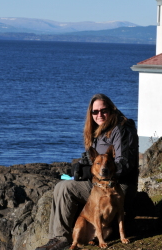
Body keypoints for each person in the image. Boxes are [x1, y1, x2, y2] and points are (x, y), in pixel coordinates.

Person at [35, 93, 139, 250]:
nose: (99, 115)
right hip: (100, 183)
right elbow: (91, 159)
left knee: (64, 188)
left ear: (112, 109)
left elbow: (124, 163)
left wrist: (93, 173)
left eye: (103, 110)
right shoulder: (99, 130)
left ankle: (62, 239)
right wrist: (80, 168)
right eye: (95, 112)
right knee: (62, 185)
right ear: (90, 114)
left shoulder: (121, 129)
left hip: (119, 185)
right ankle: (57, 237)